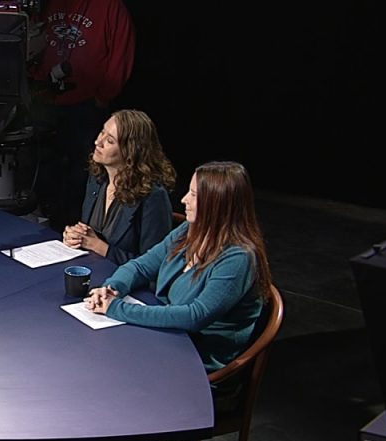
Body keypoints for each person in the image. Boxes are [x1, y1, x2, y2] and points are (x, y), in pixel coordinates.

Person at [85, 161, 273, 375]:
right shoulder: (189, 231)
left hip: (197, 356)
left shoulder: (238, 258)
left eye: (194, 195)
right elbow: (141, 266)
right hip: (167, 337)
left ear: (217, 203)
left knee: (114, 367)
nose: (184, 200)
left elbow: (194, 316)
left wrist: (115, 308)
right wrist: (112, 288)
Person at [28, 0, 136, 231]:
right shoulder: (45, 4)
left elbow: (121, 53)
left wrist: (104, 96)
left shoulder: (110, 7)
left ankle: (79, 226)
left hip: (86, 106)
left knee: (85, 170)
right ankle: (44, 225)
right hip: (46, 101)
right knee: (43, 165)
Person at [61, 109, 175, 264]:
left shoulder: (153, 196)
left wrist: (100, 247)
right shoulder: (97, 178)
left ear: (131, 151)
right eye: (102, 132)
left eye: (110, 141)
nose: (97, 142)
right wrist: (76, 236)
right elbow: (88, 234)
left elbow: (154, 265)